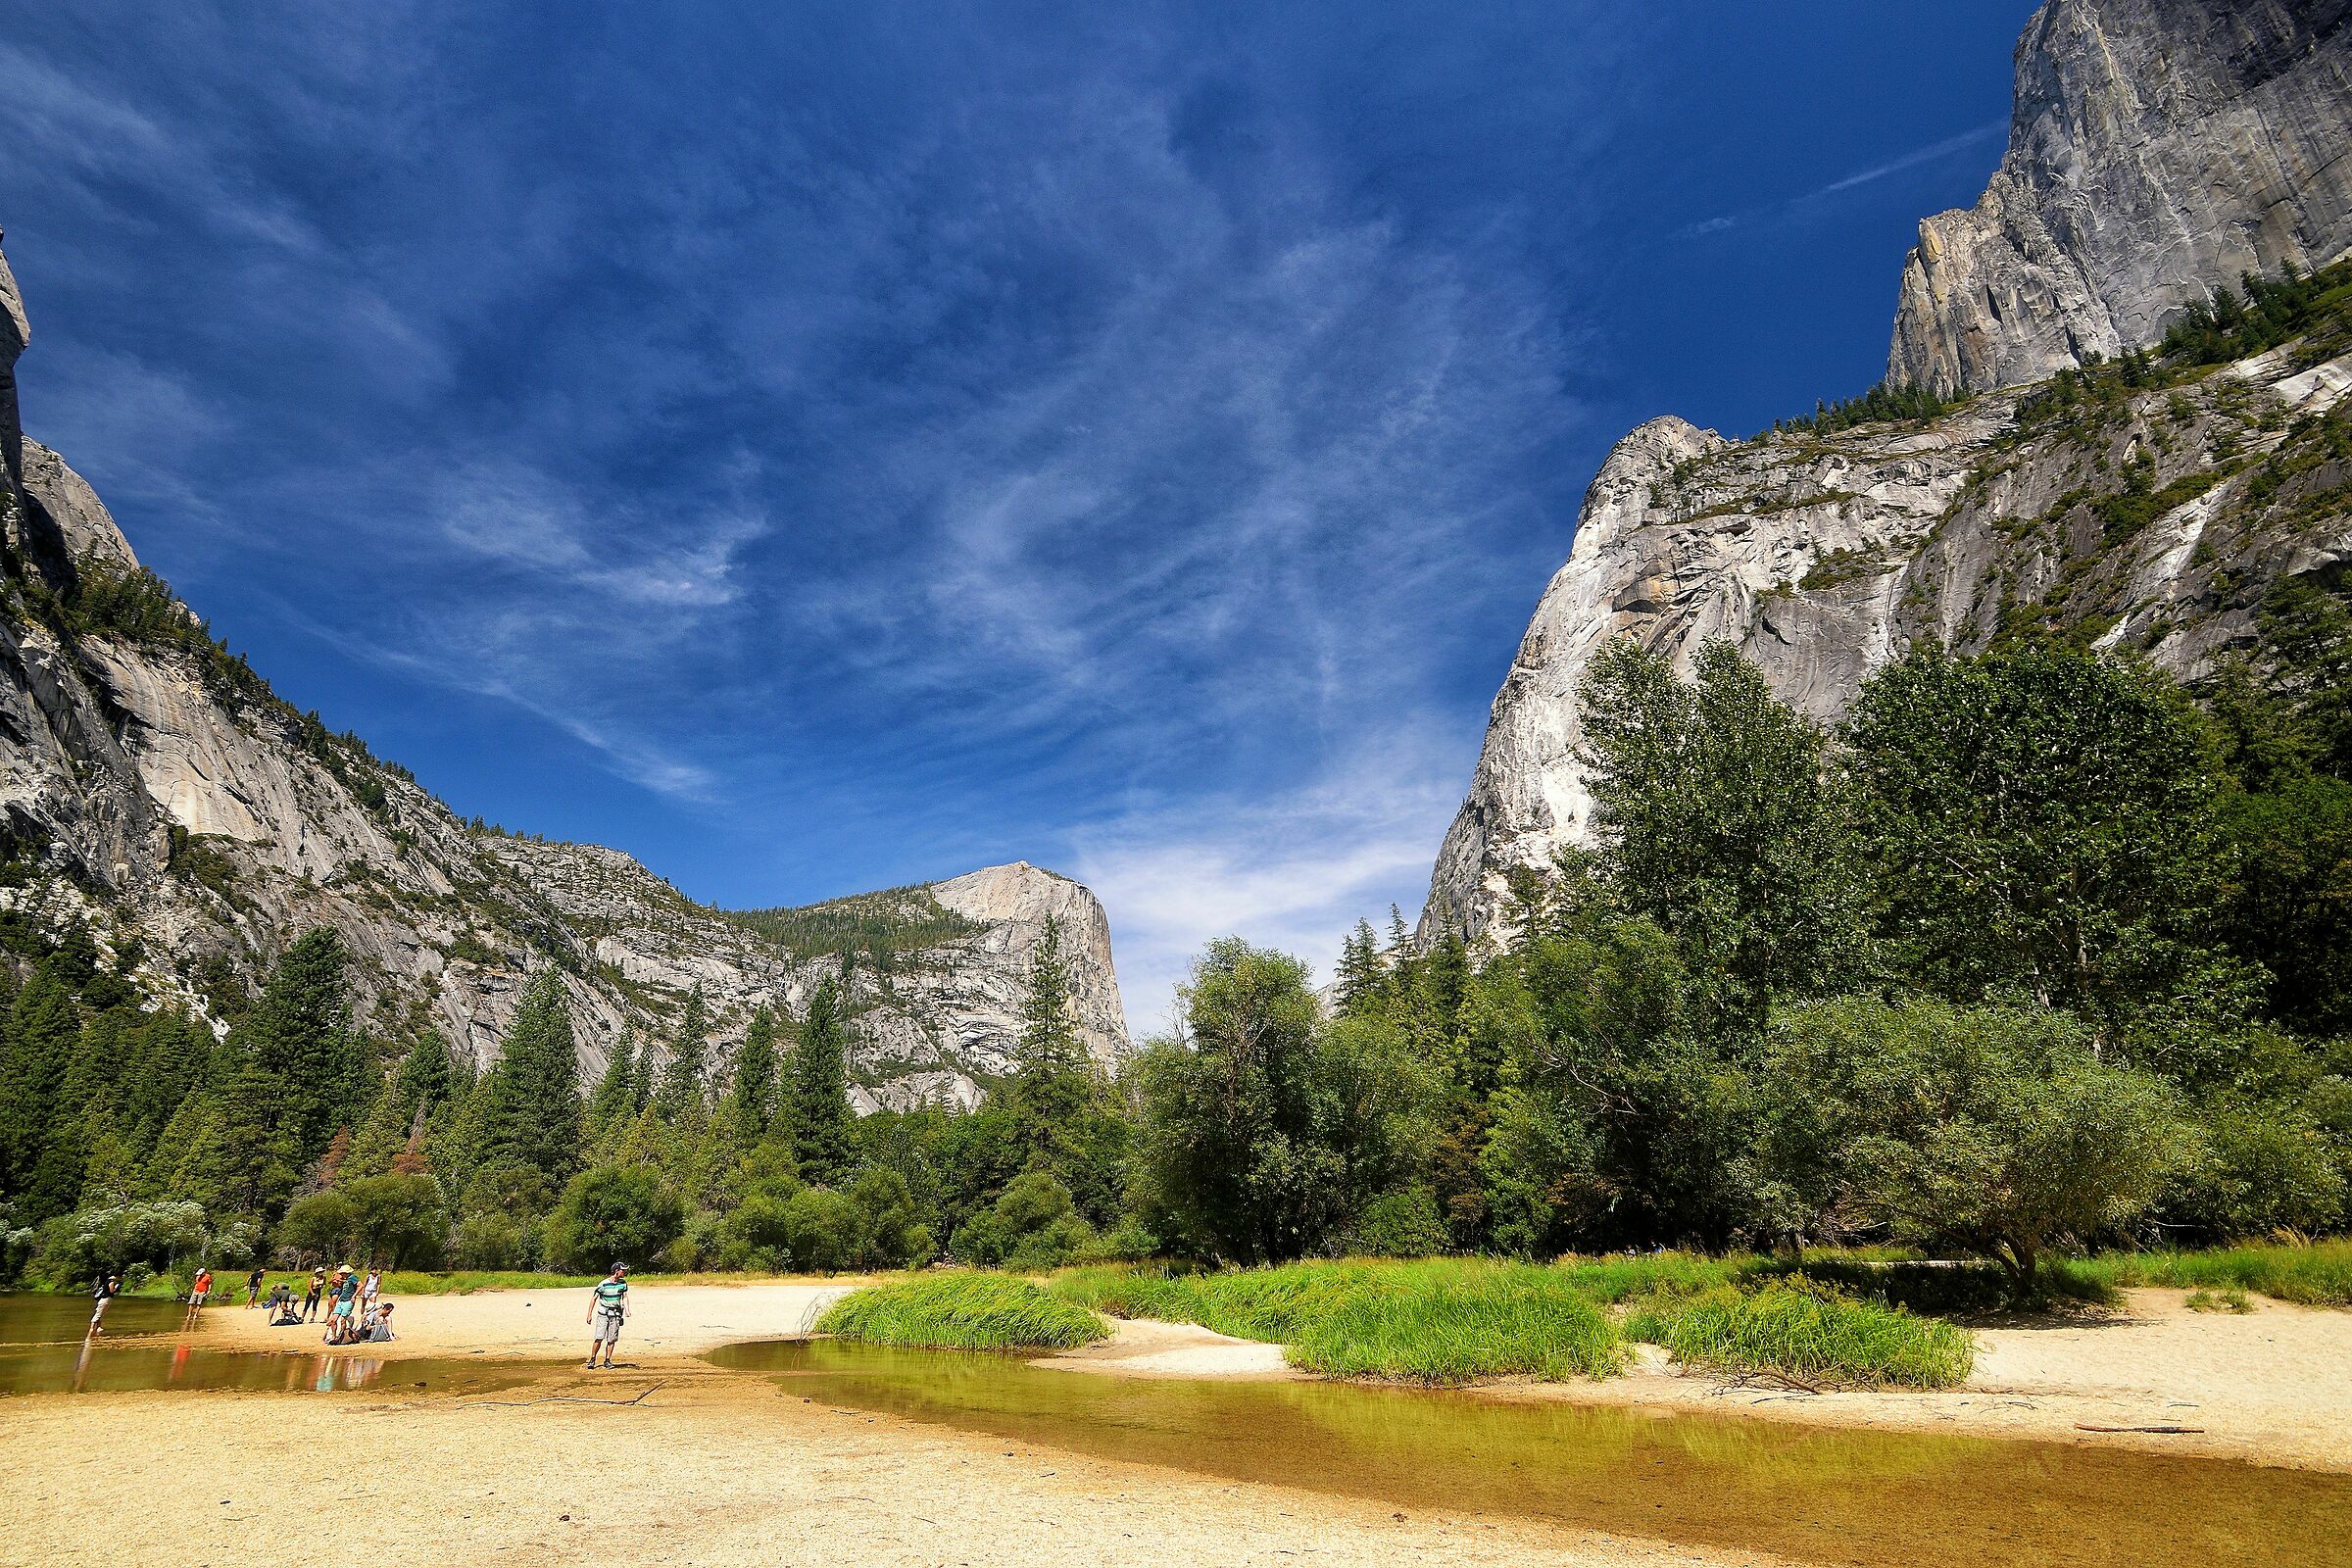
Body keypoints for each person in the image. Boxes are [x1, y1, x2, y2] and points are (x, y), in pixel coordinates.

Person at [584, 1262, 629, 1369]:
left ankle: (607, 1360)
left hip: (615, 1315)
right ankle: (592, 1359)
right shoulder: (603, 1284)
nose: (625, 1272)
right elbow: (594, 1298)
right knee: (599, 1337)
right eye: (623, 1270)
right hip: (603, 1314)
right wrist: (589, 1314)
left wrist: (627, 1310)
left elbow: (625, 1297)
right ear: (616, 1271)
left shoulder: (623, 1284)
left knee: (612, 1339)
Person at [325, 1265, 361, 1345]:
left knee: (343, 1320)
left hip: (348, 1301)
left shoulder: (353, 1277)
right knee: (333, 1320)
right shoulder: (346, 1279)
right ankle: (334, 1337)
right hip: (341, 1300)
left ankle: (341, 1336)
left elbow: (360, 1285)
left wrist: (354, 1296)